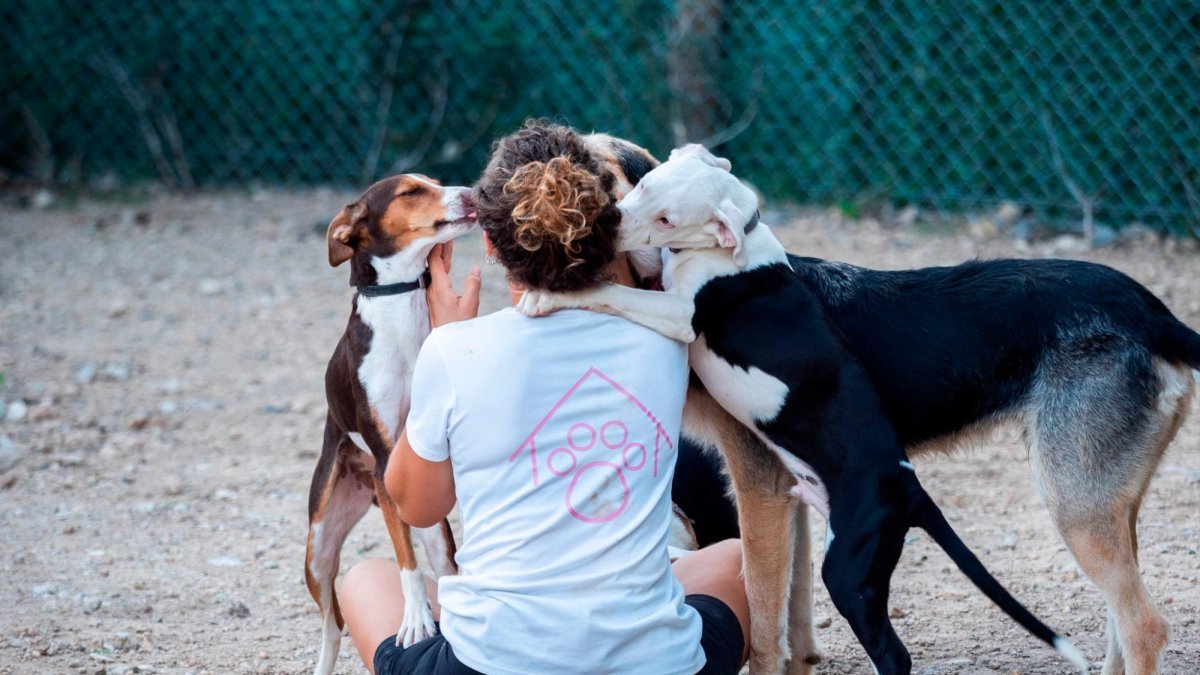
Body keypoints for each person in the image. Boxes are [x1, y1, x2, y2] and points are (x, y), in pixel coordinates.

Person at [338, 121, 750, 675]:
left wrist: (441, 342)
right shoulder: (666, 338)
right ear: (613, 231)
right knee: (734, 558)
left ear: (490, 243)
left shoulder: (455, 351)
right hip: (658, 665)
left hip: (489, 664)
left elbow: (418, 506)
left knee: (366, 579)